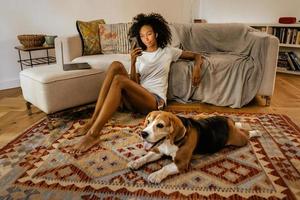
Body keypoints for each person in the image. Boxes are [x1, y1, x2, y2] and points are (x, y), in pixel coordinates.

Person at [70, 13, 203, 153]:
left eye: (149, 34)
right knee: (116, 65)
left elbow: (196, 55)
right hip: (137, 98)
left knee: (119, 80)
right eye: (142, 36)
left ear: (156, 34)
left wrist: (197, 68)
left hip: (154, 101)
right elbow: (134, 83)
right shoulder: (140, 56)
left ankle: (93, 134)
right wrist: (133, 62)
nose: (146, 39)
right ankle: (92, 121)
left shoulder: (168, 51)